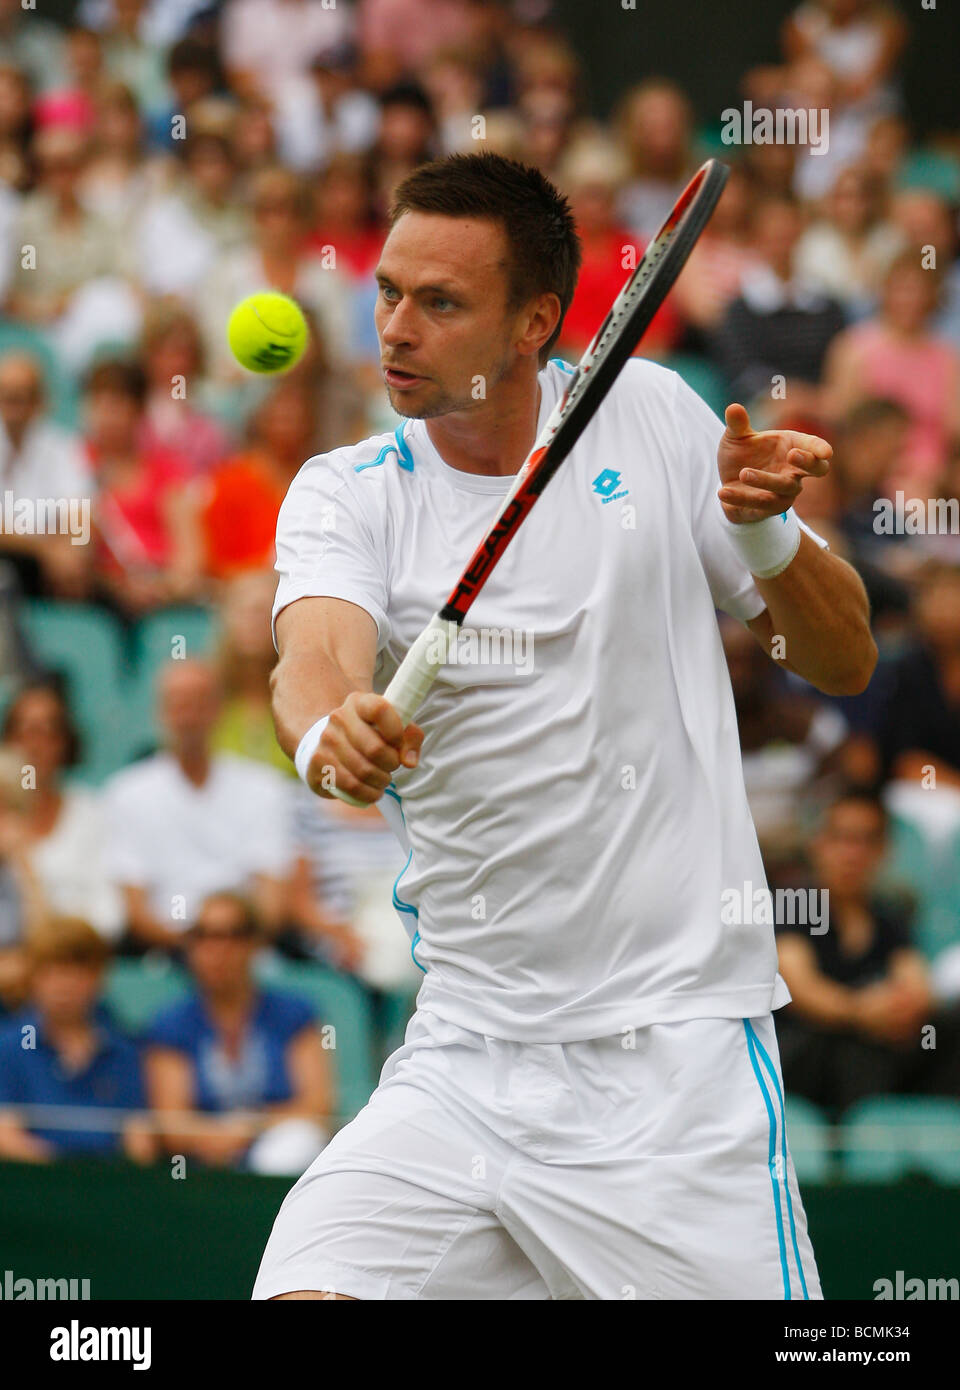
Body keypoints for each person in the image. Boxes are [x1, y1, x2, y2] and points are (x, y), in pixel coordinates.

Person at [254, 151, 878, 1301]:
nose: (395, 326)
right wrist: (326, 732)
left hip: (677, 1067)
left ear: (535, 322)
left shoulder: (657, 420)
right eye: (388, 290)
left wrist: (768, 539)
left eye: (440, 303)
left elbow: (843, 656)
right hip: (465, 1059)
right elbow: (315, 657)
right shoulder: (348, 489)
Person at [775, 789, 960, 1114]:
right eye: (842, 839)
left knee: (944, 1028)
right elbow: (799, 989)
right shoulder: (794, 904)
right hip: (810, 1052)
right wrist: (861, 1012)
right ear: (818, 844)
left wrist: (901, 1007)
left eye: (866, 841)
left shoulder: (889, 914)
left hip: (876, 1043)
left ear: (883, 850)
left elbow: (916, 982)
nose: (852, 854)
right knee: (849, 1048)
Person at [103, 658, 295, 952]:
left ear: (218, 710)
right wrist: (202, 948)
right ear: (160, 712)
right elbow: (135, 907)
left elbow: (272, 901)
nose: (189, 717)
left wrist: (227, 946)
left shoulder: (266, 789)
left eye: (198, 704)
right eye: (179, 705)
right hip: (164, 954)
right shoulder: (125, 793)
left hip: (247, 954)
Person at [144, 890, 332, 1175]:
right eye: (203, 936)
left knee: (290, 1147)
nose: (216, 951)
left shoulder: (295, 1013)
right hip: (201, 1166)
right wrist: (216, 1137)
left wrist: (249, 1127)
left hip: (281, 1155)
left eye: (231, 935)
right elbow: (172, 1124)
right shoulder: (170, 1023)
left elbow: (318, 1107)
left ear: (254, 944)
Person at [0, 915, 153, 1161]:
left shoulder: (124, 1054)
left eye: (76, 972)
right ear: (32, 978)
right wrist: (67, 1176)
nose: (63, 985)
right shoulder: (7, 1050)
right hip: (29, 1190)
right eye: (51, 972)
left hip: (108, 1191)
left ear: (98, 978)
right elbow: (5, 1137)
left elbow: (139, 1140)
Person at [1, 682, 124, 940]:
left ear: (65, 743)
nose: (35, 746)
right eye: (25, 732)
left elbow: (110, 912)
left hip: (74, 962)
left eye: (48, 732)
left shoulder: (93, 812)